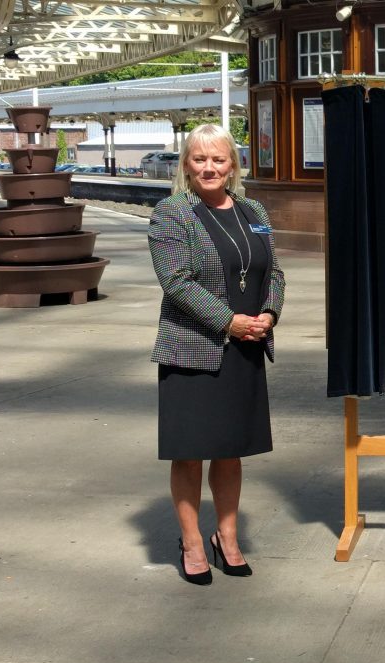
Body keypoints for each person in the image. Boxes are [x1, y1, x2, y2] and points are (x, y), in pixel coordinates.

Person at [148, 124, 286, 585]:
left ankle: (226, 539)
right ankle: (191, 542)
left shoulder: (253, 210)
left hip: (246, 347)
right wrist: (229, 321)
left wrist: (268, 312)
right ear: (186, 165)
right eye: (199, 159)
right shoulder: (172, 214)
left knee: (230, 452)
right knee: (190, 453)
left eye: (218, 159)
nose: (209, 168)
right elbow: (177, 282)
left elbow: (275, 272)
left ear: (233, 165)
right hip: (194, 349)